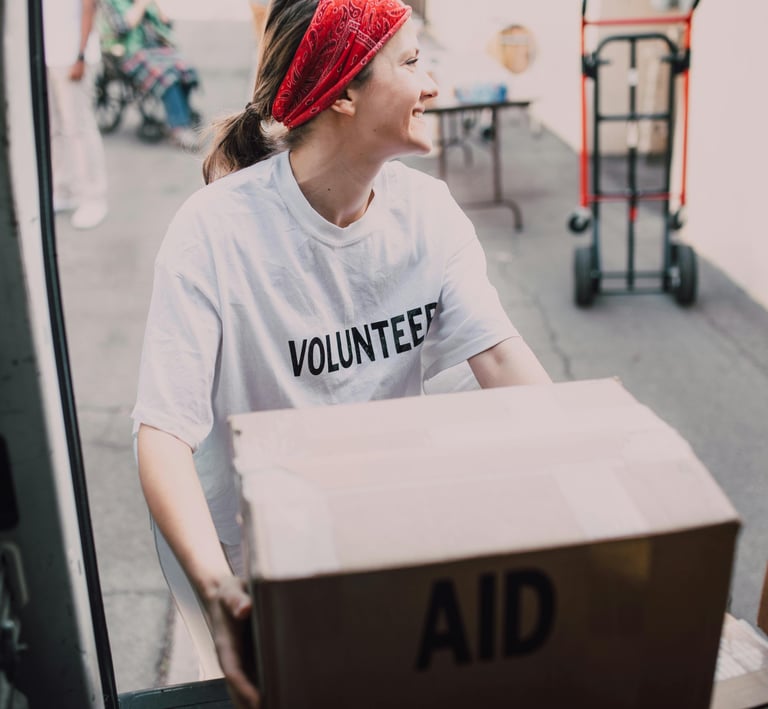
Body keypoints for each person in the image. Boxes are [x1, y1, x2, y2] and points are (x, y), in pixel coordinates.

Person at [131, 0, 552, 705]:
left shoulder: (430, 214)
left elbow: (505, 363)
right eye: (413, 62)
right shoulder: (213, 231)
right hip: (241, 549)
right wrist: (219, 591)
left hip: (366, 518)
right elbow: (162, 435)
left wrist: (608, 499)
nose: (433, 86)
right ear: (346, 91)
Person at [99, 0, 201, 150]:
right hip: (129, 52)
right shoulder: (113, 3)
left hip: (156, 48)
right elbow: (121, 28)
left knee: (185, 69)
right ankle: (179, 128)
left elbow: (167, 24)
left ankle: (181, 117)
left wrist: (157, 6)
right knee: (167, 77)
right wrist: (140, 5)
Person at [44, 0, 109, 230]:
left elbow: (88, 6)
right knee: (53, 128)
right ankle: (63, 189)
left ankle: (93, 197)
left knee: (78, 129)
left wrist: (80, 55)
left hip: (72, 57)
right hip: (45, 56)